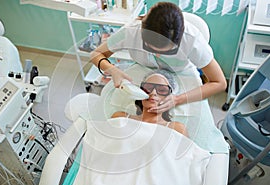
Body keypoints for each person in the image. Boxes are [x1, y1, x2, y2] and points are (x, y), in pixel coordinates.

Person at [90, 1, 227, 114]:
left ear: (180, 39)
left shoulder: (192, 40)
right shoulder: (131, 31)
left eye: (167, 52)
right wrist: (112, 69)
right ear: (142, 32)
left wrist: (178, 99)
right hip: (141, 70)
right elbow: (96, 54)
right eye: (150, 48)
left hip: (181, 75)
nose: (157, 55)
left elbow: (219, 83)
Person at [111, 70, 188, 137]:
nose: (153, 93)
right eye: (148, 88)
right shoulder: (120, 118)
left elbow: (188, 153)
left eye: (161, 90)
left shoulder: (176, 128)